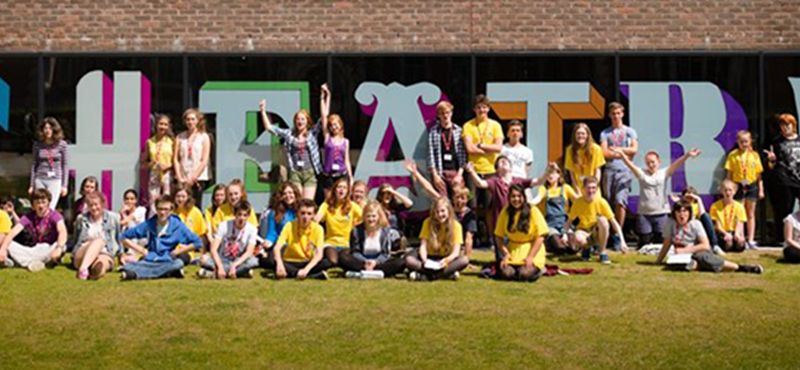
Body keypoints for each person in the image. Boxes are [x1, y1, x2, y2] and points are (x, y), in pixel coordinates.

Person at [466, 155, 553, 261]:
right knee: (502, 262)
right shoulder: (494, 181)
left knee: (516, 260)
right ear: (497, 169)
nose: (504, 161)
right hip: (501, 227)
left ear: (511, 168)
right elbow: (480, 183)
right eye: (500, 161)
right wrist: (471, 172)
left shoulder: (518, 181)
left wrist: (548, 172)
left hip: (517, 227)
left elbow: (538, 181)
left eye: (506, 161)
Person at [614, 147, 701, 247]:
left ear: (658, 162)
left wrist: (687, 155)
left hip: (661, 213)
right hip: (644, 214)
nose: (650, 165)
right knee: (644, 243)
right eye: (648, 163)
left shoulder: (664, 173)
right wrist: (622, 155)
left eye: (653, 162)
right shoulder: (641, 173)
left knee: (661, 242)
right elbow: (630, 165)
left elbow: (677, 164)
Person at [657, 200, 763, 274]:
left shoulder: (695, 224)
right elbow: (667, 242)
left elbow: (705, 245)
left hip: (697, 252)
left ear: (689, 213)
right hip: (681, 257)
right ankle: (698, 266)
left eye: (685, 211)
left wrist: (685, 250)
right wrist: (658, 261)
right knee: (674, 265)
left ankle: (740, 268)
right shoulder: (670, 223)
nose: (682, 214)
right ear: (674, 213)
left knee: (704, 258)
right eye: (679, 211)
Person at [406, 161, 477, 264]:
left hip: (452, 250)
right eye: (457, 197)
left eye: (462, 198)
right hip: (436, 248)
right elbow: (428, 188)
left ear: (467, 199)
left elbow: (468, 239)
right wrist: (416, 173)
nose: (459, 201)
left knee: (462, 261)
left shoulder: (469, 215)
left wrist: (467, 258)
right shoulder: (446, 206)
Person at [119, 195, 203, 280]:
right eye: (160, 209)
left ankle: (135, 275)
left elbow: (198, 242)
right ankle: (168, 273)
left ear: (171, 210)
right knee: (128, 266)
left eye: (166, 209)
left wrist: (178, 251)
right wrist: (141, 250)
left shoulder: (178, 226)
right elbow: (123, 237)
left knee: (178, 263)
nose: (162, 212)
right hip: (150, 259)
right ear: (156, 209)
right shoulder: (149, 224)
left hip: (168, 260)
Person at [259, 96, 323, 200]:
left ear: (307, 121)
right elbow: (269, 128)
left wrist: (324, 98)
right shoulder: (289, 134)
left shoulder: (312, 133)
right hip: (295, 173)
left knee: (307, 203)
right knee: (297, 203)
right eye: (298, 119)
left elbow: (323, 118)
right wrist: (263, 111)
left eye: (303, 119)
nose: (300, 121)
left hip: (309, 173)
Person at [599, 102, 638, 248]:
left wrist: (618, 150)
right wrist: (623, 153)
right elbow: (604, 153)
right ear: (609, 115)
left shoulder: (630, 132)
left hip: (625, 170)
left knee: (620, 202)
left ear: (622, 114)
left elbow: (634, 150)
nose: (616, 116)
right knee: (608, 202)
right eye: (613, 114)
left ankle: (617, 234)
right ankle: (607, 234)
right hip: (609, 170)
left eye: (618, 113)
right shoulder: (605, 133)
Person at [0, 189, 68, 272]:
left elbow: (62, 231)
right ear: (33, 205)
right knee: (5, 241)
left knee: (62, 245)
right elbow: (13, 232)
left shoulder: (55, 216)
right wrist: (3, 249)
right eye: (38, 203)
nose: (41, 206)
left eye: (43, 202)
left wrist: (59, 248)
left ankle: (28, 262)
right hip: (34, 249)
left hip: (50, 248)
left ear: (48, 203)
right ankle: (36, 263)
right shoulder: (29, 216)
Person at [266, 199, 332, 280]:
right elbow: (277, 247)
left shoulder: (318, 229)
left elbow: (319, 254)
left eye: (309, 214)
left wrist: (306, 270)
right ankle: (310, 275)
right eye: (302, 213)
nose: (305, 217)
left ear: (314, 215)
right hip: (290, 261)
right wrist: (280, 264)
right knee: (272, 259)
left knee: (327, 262)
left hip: (307, 261)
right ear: (297, 214)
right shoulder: (289, 225)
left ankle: (294, 274)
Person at [567, 176, 627, 264]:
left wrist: (622, 241)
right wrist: (568, 234)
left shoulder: (602, 202)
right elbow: (568, 222)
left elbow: (614, 222)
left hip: (597, 231)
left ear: (597, 189)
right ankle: (586, 248)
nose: (591, 190)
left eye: (594, 188)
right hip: (583, 230)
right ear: (583, 188)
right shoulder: (578, 202)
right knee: (578, 238)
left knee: (603, 220)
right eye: (588, 187)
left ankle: (602, 252)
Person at [494, 185, 549, 281]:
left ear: (524, 197)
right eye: (513, 196)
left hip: (532, 250)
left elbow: (541, 236)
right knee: (507, 274)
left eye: (519, 196)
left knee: (524, 275)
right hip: (513, 252)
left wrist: (530, 256)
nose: (516, 199)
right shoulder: (505, 212)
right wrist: (506, 254)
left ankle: (540, 270)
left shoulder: (533, 210)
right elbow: (498, 236)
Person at [338, 200, 406, 279]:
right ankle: (376, 273)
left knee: (400, 262)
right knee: (343, 257)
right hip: (361, 261)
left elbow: (385, 254)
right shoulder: (356, 231)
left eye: (373, 216)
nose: (371, 219)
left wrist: (375, 262)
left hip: (379, 262)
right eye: (368, 216)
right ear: (364, 217)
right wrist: (365, 262)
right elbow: (355, 252)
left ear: (378, 217)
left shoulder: (385, 231)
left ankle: (364, 272)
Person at [198, 201, 259, 279]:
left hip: (239, 259)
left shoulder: (252, 229)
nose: (241, 218)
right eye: (239, 214)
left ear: (248, 216)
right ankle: (241, 272)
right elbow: (213, 249)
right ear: (234, 214)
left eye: (245, 215)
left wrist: (235, 265)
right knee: (204, 259)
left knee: (254, 261)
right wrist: (220, 266)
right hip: (223, 258)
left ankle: (212, 274)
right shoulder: (223, 225)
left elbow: (249, 252)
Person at [764, 113, 800, 244]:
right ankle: (783, 238)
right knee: (784, 209)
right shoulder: (776, 142)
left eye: (788, 125)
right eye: (782, 125)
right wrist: (772, 160)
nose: (785, 128)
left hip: (798, 177)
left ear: (793, 125)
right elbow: (770, 165)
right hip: (784, 179)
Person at [724, 130, 764, 248]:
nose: (744, 144)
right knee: (739, 212)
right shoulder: (733, 155)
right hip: (738, 185)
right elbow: (729, 173)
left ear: (750, 141)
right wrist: (729, 187)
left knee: (751, 213)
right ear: (737, 142)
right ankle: (740, 237)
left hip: (751, 185)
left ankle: (751, 239)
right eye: (741, 142)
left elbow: (759, 175)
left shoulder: (754, 155)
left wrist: (761, 190)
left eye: (746, 141)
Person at [71, 192, 122, 280]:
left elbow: (118, 237)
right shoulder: (81, 219)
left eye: (96, 204)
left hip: (104, 252)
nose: (94, 208)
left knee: (103, 262)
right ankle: (83, 268)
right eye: (91, 205)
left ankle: (97, 271)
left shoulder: (114, 218)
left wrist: (121, 255)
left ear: (102, 204)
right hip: (83, 251)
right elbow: (76, 238)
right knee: (99, 241)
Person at [315, 177, 363, 266]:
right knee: (333, 261)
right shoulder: (326, 205)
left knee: (344, 258)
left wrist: (356, 225)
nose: (341, 190)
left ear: (347, 191)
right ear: (334, 190)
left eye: (344, 188)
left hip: (346, 243)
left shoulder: (352, 206)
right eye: (339, 187)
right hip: (330, 243)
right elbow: (316, 219)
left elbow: (364, 218)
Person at [531, 167, 579, 255]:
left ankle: (564, 242)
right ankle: (549, 243)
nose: (550, 175)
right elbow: (537, 199)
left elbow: (578, 201)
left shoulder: (566, 188)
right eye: (548, 173)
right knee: (560, 248)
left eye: (553, 173)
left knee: (573, 249)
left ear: (558, 175)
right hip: (550, 224)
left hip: (565, 223)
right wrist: (528, 203)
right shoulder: (544, 189)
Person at [427, 101, 467, 200]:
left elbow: (463, 154)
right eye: (442, 113)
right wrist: (435, 175)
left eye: (447, 112)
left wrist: (460, 174)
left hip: (455, 171)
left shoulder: (459, 130)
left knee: (459, 199)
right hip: (440, 172)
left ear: (451, 113)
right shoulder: (434, 132)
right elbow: (430, 153)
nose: (445, 115)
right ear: (438, 115)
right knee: (442, 201)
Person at [319, 83, 353, 193]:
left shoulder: (345, 141)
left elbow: (347, 160)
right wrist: (324, 97)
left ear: (340, 125)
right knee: (328, 200)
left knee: (342, 200)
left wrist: (350, 176)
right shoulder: (327, 137)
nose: (334, 127)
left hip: (341, 174)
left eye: (336, 124)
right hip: (328, 175)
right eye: (332, 125)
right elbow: (324, 116)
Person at [174, 108, 211, 206]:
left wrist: (193, 177)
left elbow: (204, 160)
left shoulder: (204, 136)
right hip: (183, 177)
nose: (190, 122)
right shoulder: (179, 137)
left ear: (198, 120)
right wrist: (179, 176)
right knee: (181, 204)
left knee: (195, 204)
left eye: (193, 119)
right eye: (188, 119)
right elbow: (176, 159)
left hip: (198, 178)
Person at [29, 117, 69, 210]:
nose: (47, 131)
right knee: (40, 207)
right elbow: (34, 164)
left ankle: (49, 225)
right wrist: (31, 185)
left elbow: (65, 165)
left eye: (50, 128)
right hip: (40, 178)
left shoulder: (62, 144)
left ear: (55, 130)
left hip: (55, 179)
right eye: (45, 128)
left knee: (51, 207)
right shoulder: (37, 145)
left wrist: (64, 185)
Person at [258, 182, 299, 259]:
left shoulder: (301, 210)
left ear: (295, 194)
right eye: (284, 194)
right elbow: (272, 232)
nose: (288, 196)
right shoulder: (275, 212)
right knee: (268, 260)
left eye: (290, 193)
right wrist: (268, 241)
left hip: (298, 244)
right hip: (282, 245)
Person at [144, 114, 174, 212]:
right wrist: (151, 164)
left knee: (167, 199)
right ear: (156, 125)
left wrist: (168, 166)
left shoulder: (172, 142)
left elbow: (176, 160)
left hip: (167, 174)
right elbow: (144, 162)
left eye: (165, 125)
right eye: (161, 124)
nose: (163, 127)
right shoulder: (150, 142)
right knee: (153, 201)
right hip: (154, 174)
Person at [565, 122, 605, 193]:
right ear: (574, 135)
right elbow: (571, 173)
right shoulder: (570, 150)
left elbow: (598, 171)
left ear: (587, 135)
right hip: (578, 188)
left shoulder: (596, 149)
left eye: (583, 133)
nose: (580, 136)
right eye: (578, 133)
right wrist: (577, 189)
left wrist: (594, 187)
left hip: (592, 187)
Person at [709, 179, 747, 252]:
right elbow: (717, 226)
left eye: (730, 190)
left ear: (734, 191)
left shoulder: (739, 207)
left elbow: (740, 223)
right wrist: (725, 234)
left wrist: (738, 234)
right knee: (728, 245)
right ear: (722, 191)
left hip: (733, 231)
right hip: (722, 232)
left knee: (740, 245)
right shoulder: (715, 206)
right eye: (725, 190)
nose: (728, 193)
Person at [174, 184, 208, 264]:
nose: (180, 199)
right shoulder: (172, 211)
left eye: (183, 196)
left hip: (186, 251)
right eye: (178, 196)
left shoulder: (195, 212)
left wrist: (202, 254)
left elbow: (201, 235)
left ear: (188, 197)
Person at [118, 189, 148, 264]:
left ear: (136, 200)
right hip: (129, 242)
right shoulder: (124, 214)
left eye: (132, 199)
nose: (129, 201)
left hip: (140, 240)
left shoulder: (140, 210)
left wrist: (121, 213)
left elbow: (126, 221)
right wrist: (122, 214)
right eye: (127, 199)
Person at [501, 119, 534, 184]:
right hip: (505, 181)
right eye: (512, 130)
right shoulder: (501, 149)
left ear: (521, 134)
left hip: (520, 181)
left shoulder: (527, 151)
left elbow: (527, 169)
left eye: (518, 131)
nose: (515, 133)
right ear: (508, 134)